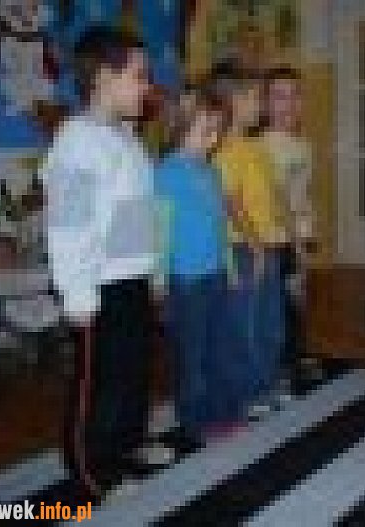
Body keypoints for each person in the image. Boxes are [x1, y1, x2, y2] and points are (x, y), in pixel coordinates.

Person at [40, 26, 159, 497]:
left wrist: (151, 269)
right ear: (104, 78)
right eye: (139, 76)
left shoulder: (126, 139)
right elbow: (69, 225)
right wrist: (77, 293)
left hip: (131, 279)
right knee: (100, 383)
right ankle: (91, 473)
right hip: (98, 286)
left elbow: (138, 214)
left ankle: (125, 447)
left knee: (133, 372)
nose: (147, 86)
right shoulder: (78, 141)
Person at [154, 87, 244, 442]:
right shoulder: (166, 173)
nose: (213, 139)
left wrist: (230, 267)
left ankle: (223, 410)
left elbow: (219, 225)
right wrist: (158, 282)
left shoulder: (210, 171)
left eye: (217, 131)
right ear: (179, 127)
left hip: (216, 275)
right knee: (192, 355)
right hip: (186, 281)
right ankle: (195, 420)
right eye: (206, 131)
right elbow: (159, 231)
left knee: (220, 347)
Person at [212, 62, 290, 417]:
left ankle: (267, 382)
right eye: (257, 97)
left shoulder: (255, 147)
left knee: (271, 322)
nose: (262, 104)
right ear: (234, 101)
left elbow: (272, 195)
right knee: (245, 324)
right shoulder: (224, 148)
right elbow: (230, 201)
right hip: (243, 248)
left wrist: (286, 237)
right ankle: (246, 392)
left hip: (265, 246)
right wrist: (256, 245)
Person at [262, 66, 316, 393]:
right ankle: (280, 368)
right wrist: (296, 245)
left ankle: (294, 358)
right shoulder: (263, 145)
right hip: (276, 240)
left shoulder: (303, 145)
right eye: (279, 96)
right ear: (266, 103)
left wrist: (307, 236)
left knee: (297, 302)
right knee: (279, 306)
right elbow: (277, 198)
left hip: (298, 236)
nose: (289, 104)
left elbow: (301, 195)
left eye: (295, 95)